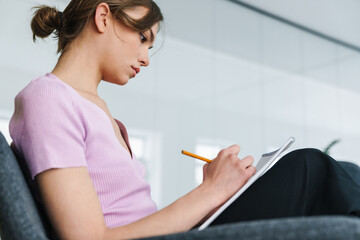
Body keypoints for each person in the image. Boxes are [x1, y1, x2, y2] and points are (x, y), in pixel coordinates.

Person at [8, 0, 360, 239]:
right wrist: (210, 192)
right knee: (310, 168)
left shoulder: (100, 112)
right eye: (143, 38)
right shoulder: (49, 97)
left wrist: (212, 192)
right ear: (103, 18)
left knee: (341, 175)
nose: (145, 58)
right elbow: (86, 237)